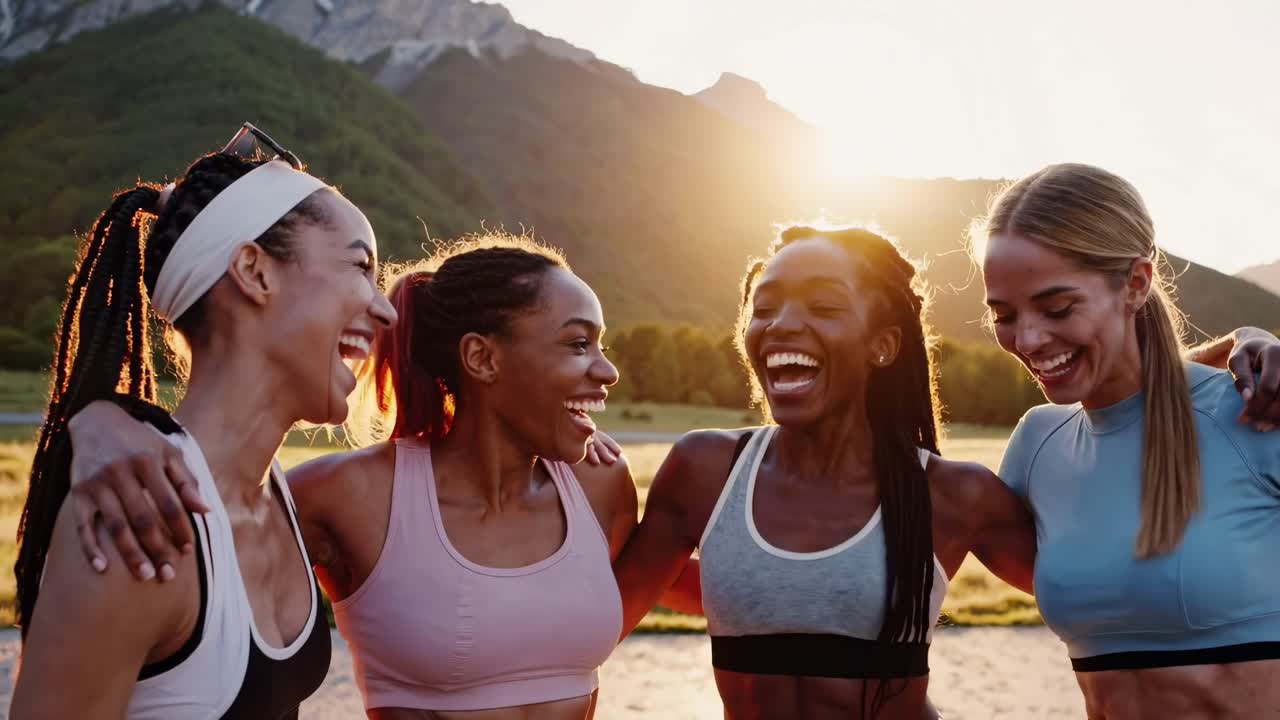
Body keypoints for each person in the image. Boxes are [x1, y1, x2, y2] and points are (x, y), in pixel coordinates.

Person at [62, 235, 694, 719]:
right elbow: (198, 568)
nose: (608, 372)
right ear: (482, 357)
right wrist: (102, 423)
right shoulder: (347, 497)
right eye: (578, 344)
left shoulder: (599, 486)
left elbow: (684, 587)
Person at [10, 124, 396, 718]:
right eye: (360, 266)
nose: (385, 307)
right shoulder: (138, 521)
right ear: (254, 270)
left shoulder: (278, 503)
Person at [612, 225, 1037, 720]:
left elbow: (1098, 599)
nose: (782, 326)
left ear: (882, 345)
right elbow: (597, 623)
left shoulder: (954, 494)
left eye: (825, 308)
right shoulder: (703, 471)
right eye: (764, 308)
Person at [979, 163, 1280, 719]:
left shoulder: (1254, 413)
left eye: (1057, 308)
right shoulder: (1037, 445)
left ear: (1136, 283)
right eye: (1004, 314)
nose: (1027, 339)